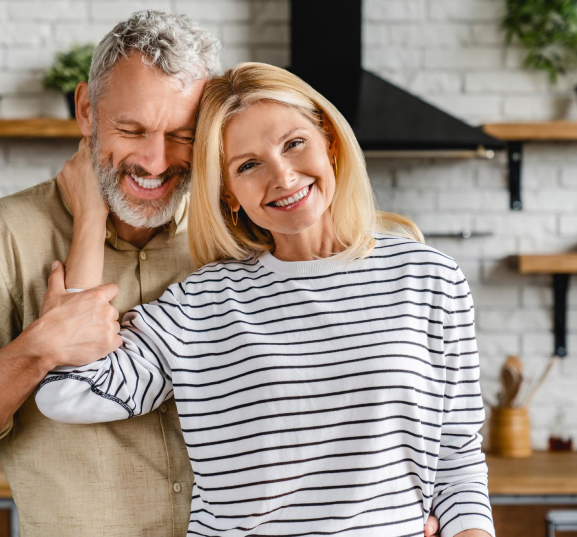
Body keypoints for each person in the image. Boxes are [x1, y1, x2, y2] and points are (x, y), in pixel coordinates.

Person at [36, 62, 493, 537]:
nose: (283, 176)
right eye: (248, 165)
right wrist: (91, 216)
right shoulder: (203, 303)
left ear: (329, 143)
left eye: (294, 143)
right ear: (228, 193)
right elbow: (71, 392)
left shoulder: (428, 277)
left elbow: (457, 461)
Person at [0, 10, 220, 537]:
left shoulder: (234, 237)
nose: (156, 160)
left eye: (182, 135)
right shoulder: (9, 233)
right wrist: (37, 350)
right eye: (132, 129)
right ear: (86, 111)